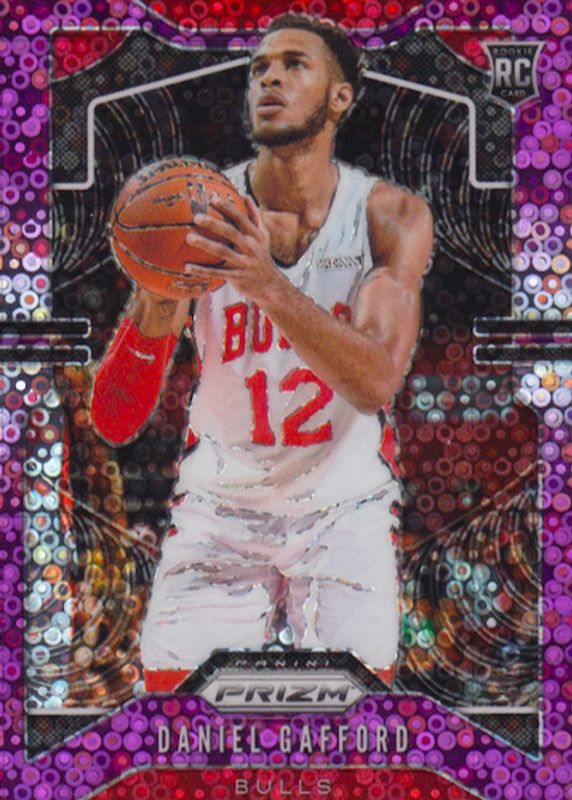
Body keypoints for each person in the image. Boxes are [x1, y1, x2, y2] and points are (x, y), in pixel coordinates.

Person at [91, 14, 434, 693]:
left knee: (350, 722)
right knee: (176, 717)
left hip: (343, 507)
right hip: (221, 505)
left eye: (294, 64)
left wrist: (267, 285)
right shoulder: (199, 211)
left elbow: (375, 382)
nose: (269, 78)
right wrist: (155, 298)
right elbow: (115, 420)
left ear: (340, 97)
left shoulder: (387, 217)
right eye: (258, 68)